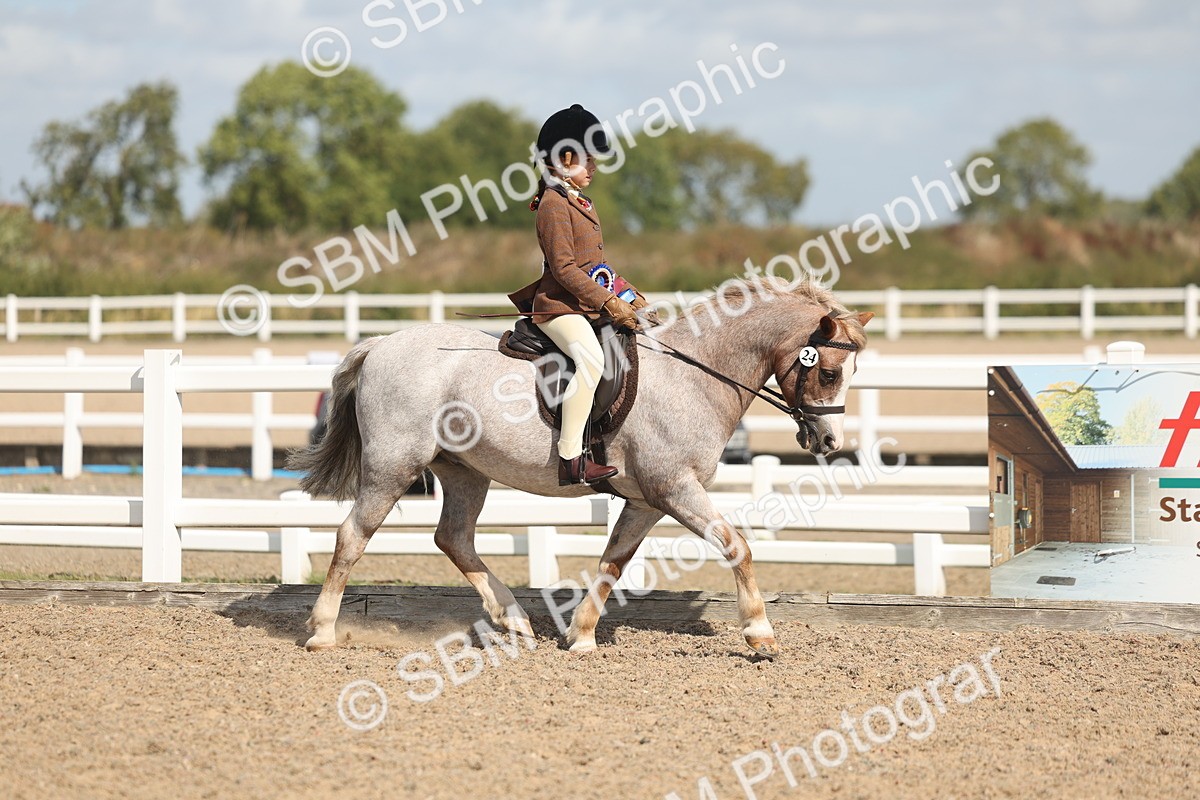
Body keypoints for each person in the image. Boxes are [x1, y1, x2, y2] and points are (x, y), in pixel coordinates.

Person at [508, 104, 652, 486]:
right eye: (587, 158)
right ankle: (571, 457)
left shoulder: (580, 201)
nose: (593, 167)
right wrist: (608, 302)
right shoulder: (553, 204)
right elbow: (565, 269)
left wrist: (629, 293)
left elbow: (595, 266)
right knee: (590, 361)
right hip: (558, 309)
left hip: (583, 305)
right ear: (564, 158)